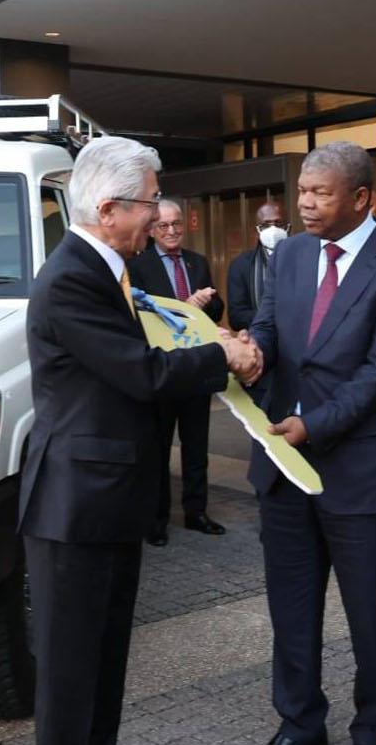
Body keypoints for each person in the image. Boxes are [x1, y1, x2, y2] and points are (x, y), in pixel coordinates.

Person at [20, 136, 262, 745]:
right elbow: (143, 372)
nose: (159, 213)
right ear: (109, 209)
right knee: (73, 683)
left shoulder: (107, 272)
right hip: (77, 510)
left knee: (101, 669)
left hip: (104, 504)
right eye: (151, 201)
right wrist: (223, 356)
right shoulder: (72, 279)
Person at [248, 141, 376, 745]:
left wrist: (314, 426)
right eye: (302, 190)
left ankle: (374, 726)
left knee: (372, 615)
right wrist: (250, 354)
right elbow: (272, 326)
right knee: (292, 612)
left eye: (319, 192)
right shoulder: (292, 254)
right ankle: (300, 724)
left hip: (361, 469)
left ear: (360, 198)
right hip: (283, 467)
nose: (305, 203)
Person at [128, 199, 228, 545]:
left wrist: (208, 302)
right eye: (164, 226)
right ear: (153, 229)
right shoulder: (138, 268)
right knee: (157, 448)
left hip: (197, 368)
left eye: (177, 225)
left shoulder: (197, 262)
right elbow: (143, 319)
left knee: (196, 445)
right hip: (164, 370)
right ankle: (156, 520)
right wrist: (185, 308)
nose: (172, 231)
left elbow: (214, 312)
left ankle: (196, 512)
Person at [228, 201, 289, 333]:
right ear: (257, 230)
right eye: (266, 225)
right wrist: (278, 315)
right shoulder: (240, 265)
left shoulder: (302, 259)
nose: (273, 230)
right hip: (259, 342)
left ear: (288, 227)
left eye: (278, 224)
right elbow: (236, 317)